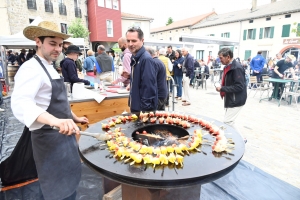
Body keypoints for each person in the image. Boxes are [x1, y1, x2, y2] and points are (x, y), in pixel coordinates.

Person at [10, 21, 109, 200]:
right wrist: (56, 122)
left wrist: (74, 117)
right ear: (38, 42)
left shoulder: (49, 66)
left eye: (60, 44)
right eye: (52, 43)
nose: (57, 49)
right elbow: (21, 103)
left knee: (69, 183)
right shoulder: (30, 69)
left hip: (65, 138)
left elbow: (55, 102)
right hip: (49, 140)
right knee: (56, 190)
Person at [215, 48, 247, 142]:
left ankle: (241, 139)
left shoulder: (236, 68)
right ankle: (232, 138)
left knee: (227, 121)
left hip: (236, 99)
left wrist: (222, 88)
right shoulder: (228, 66)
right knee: (230, 121)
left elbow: (239, 86)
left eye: (221, 58)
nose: (220, 60)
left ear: (228, 57)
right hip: (231, 98)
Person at [126, 27, 157, 113]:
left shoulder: (146, 59)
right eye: (128, 41)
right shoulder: (135, 57)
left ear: (142, 40)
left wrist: (145, 113)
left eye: (134, 41)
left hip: (142, 110)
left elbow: (149, 87)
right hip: (136, 107)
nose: (130, 44)